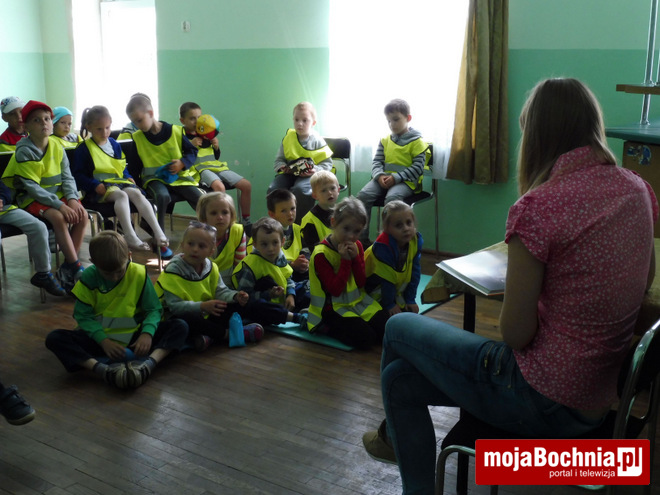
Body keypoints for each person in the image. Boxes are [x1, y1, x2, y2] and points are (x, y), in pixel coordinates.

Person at [362, 78, 659, 494]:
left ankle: (394, 441)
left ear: (536, 136)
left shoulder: (539, 205)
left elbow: (516, 335)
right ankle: (402, 455)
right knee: (398, 381)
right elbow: (645, 279)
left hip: (543, 399)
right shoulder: (637, 188)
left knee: (397, 328)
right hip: (600, 396)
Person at [45, 231, 189, 389]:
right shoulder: (88, 277)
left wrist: (147, 334)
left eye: (119, 271)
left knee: (180, 326)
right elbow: (83, 317)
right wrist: (104, 342)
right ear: (93, 262)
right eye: (107, 273)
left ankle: (148, 365)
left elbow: (153, 309)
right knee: (55, 338)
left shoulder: (139, 273)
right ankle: (104, 370)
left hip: (135, 334)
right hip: (101, 337)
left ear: (129, 256)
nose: (114, 277)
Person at [1, 100, 88, 292]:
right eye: (37, 120)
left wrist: (72, 199)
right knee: (58, 217)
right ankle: (75, 267)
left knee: (82, 216)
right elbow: (32, 188)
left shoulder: (57, 145)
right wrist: (60, 206)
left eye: (47, 119)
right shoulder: (24, 150)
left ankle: (68, 266)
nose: (44, 123)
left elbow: (67, 177)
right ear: (26, 127)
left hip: (55, 196)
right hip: (31, 198)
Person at [72, 105, 169, 253]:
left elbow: (121, 165)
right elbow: (78, 175)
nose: (104, 132)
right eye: (99, 129)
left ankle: (158, 232)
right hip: (97, 191)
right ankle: (130, 235)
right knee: (121, 195)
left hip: (119, 183)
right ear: (89, 127)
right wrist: (93, 185)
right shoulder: (83, 149)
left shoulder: (114, 144)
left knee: (136, 193)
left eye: (107, 128)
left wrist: (128, 176)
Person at [155, 221, 263, 351]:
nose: (195, 249)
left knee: (236, 305)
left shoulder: (211, 267)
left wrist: (235, 296)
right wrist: (202, 306)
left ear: (211, 251)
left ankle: (208, 336)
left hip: (204, 313)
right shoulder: (172, 270)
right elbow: (175, 307)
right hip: (176, 318)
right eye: (190, 244)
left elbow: (221, 291)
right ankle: (227, 335)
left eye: (201, 246)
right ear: (182, 245)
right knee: (188, 320)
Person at [125, 93, 203, 258]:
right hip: (154, 180)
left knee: (200, 199)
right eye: (134, 122)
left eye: (139, 120)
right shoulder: (137, 138)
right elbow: (134, 166)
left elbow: (192, 151)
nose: (137, 125)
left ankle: (208, 234)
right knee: (162, 196)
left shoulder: (175, 130)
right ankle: (159, 238)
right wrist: (136, 187)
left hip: (179, 178)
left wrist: (182, 163)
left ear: (151, 113)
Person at [307, 196, 388, 350]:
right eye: (346, 229)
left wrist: (355, 258)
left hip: (356, 302)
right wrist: (345, 260)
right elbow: (335, 290)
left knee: (386, 329)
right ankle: (326, 328)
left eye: (357, 231)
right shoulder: (321, 254)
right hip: (331, 309)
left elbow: (361, 282)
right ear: (333, 222)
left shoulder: (357, 245)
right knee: (366, 339)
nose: (351, 236)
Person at [356, 99, 428, 245]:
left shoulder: (417, 142)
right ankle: (361, 241)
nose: (391, 124)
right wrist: (379, 176)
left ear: (408, 118)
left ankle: (389, 242)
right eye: (388, 121)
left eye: (396, 119)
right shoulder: (385, 140)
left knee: (392, 199)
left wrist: (396, 178)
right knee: (363, 196)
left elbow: (417, 168)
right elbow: (377, 162)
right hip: (382, 179)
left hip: (406, 182)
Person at [179, 102, 253, 230]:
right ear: (182, 120)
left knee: (246, 185)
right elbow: (180, 158)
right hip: (200, 169)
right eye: (192, 118)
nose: (197, 121)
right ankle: (224, 224)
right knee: (220, 188)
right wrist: (190, 144)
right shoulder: (180, 135)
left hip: (217, 166)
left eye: (199, 117)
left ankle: (246, 222)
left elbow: (215, 156)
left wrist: (216, 147)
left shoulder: (206, 131)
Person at [232, 217, 308, 327]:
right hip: (265, 305)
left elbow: (288, 278)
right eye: (264, 244)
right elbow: (245, 298)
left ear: (282, 242)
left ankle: (305, 310)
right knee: (259, 306)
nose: (271, 249)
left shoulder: (280, 257)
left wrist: (291, 294)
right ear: (255, 244)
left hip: (282, 300)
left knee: (306, 287)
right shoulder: (250, 266)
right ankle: (297, 318)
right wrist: (268, 294)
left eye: (275, 243)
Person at [268, 101, 333, 222]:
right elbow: (279, 159)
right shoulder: (288, 138)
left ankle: (299, 224)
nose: (300, 124)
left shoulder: (317, 140)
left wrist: (315, 170)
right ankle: (277, 224)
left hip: (308, 176)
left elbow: (327, 164)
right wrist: (282, 167)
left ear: (313, 123)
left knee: (301, 191)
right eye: (296, 120)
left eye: (305, 120)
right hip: (289, 175)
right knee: (273, 189)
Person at [0, 180, 65, 296]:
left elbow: (4, 190)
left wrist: (2, 199)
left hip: (4, 210)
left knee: (39, 227)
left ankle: (43, 274)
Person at [364, 200, 422, 316]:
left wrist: (410, 299)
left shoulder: (415, 240)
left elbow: (415, 272)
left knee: (409, 315)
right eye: (398, 225)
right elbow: (387, 280)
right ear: (387, 229)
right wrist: (390, 304)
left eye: (409, 223)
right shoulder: (382, 248)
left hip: (392, 290)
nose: (406, 228)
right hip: (372, 288)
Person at [266, 189, 310, 308]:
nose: (290, 214)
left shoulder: (297, 229)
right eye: (283, 211)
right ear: (272, 214)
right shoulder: (266, 233)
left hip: (297, 274)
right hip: (277, 279)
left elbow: (306, 249)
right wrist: (292, 264)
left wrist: (305, 261)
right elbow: (264, 264)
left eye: (292, 208)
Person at [196, 191, 247, 284]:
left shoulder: (238, 231)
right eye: (213, 213)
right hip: (203, 282)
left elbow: (239, 266)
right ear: (204, 216)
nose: (220, 217)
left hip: (229, 282)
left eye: (225, 212)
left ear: (231, 214)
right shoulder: (196, 234)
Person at [300, 169, 339, 251]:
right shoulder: (309, 220)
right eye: (323, 190)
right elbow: (313, 249)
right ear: (315, 196)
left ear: (338, 190)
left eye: (332, 188)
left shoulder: (343, 213)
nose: (329, 193)